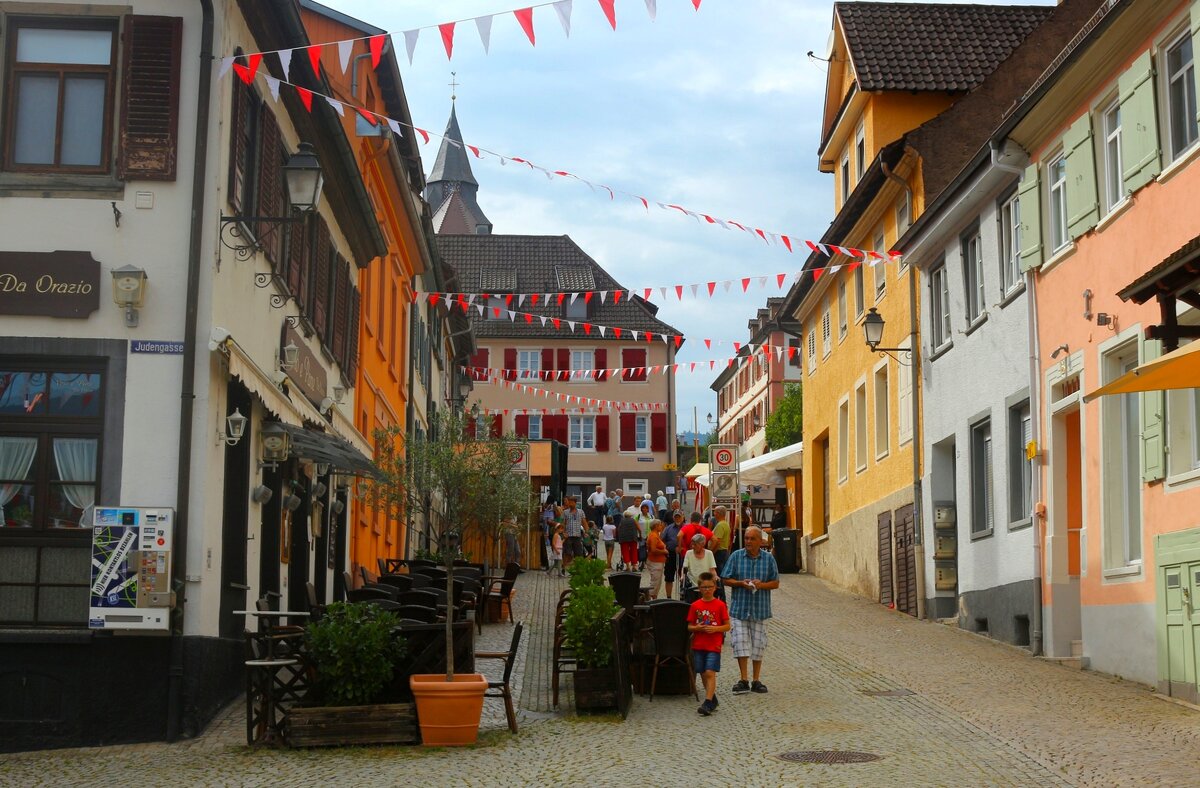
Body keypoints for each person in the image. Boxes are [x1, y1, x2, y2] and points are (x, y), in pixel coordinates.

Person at [722, 527, 780, 695]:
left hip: (760, 609)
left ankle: (756, 680)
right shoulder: (736, 556)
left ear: (760, 541)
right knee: (739, 643)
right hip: (740, 608)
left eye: (751, 539)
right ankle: (743, 679)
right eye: (746, 538)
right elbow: (725, 578)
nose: (748, 541)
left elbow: (775, 583)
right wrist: (741, 583)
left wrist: (761, 585)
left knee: (758, 645)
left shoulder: (768, 559)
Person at [687, 571, 730, 716]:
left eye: (709, 587)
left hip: (714, 644)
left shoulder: (720, 605)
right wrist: (697, 628)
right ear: (699, 588)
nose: (707, 590)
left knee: (710, 672)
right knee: (702, 672)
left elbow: (727, 626)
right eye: (704, 587)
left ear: (715, 588)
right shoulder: (695, 606)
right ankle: (712, 699)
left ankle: (707, 703)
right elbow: (689, 626)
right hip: (699, 644)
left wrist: (716, 629)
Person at [682, 533, 717, 603]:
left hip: (705, 587)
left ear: (703, 544)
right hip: (692, 586)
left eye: (695, 544)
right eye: (692, 544)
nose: (692, 546)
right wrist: (683, 577)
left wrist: (715, 578)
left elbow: (712, 570)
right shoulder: (689, 553)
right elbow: (684, 568)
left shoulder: (709, 553)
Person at [662, 510, 684, 599]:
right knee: (669, 576)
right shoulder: (668, 528)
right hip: (671, 554)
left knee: (683, 576)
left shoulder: (686, 527)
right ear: (673, 518)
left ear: (683, 517)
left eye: (679, 516)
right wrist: (665, 548)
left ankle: (683, 595)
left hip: (683, 555)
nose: (677, 518)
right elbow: (662, 540)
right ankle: (669, 597)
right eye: (676, 517)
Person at [561, 496, 586, 570]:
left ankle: (579, 568)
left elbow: (584, 522)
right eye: (569, 502)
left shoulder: (581, 512)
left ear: (575, 503)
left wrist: (587, 532)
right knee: (567, 553)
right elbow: (563, 524)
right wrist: (563, 532)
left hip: (577, 536)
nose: (570, 504)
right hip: (568, 536)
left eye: (571, 502)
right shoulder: (565, 512)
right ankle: (564, 568)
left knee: (579, 553)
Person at [646, 520, 668, 598]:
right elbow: (653, 549)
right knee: (655, 582)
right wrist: (664, 551)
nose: (661, 526)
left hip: (658, 561)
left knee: (657, 582)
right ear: (656, 526)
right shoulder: (653, 536)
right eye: (660, 525)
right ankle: (649, 598)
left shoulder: (656, 535)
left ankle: (654, 597)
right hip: (655, 562)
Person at [616, 506, 640, 571]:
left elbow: (618, 529)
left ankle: (627, 566)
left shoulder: (622, 521)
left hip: (623, 538)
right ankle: (634, 566)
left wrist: (618, 537)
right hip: (633, 538)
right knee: (634, 551)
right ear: (631, 515)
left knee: (625, 551)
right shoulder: (633, 520)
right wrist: (640, 536)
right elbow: (639, 528)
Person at [710, 505, 732, 576]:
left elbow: (717, 541)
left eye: (715, 512)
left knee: (717, 573)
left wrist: (711, 552)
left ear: (719, 513)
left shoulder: (720, 525)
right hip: (723, 551)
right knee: (721, 572)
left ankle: (719, 587)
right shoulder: (726, 524)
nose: (714, 514)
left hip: (718, 552)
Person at [636, 500, 655, 571]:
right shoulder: (638, 516)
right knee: (642, 548)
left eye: (646, 508)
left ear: (648, 509)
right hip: (641, 535)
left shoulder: (652, 516)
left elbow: (654, 525)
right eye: (643, 508)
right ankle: (642, 561)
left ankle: (649, 562)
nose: (644, 509)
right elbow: (635, 523)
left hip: (650, 535)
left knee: (650, 549)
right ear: (641, 509)